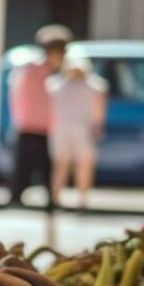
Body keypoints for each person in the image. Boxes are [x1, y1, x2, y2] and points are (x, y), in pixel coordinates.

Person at [7, 24, 73, 207]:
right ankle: (16, 195)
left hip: (45, 127)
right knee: (24, 165)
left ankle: (50, 198)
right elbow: (19, 97)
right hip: (29, 124)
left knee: (45, 166)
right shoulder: (32, 69)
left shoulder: (56, 73)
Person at [47, 55, 108, 211]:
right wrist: (97, 128)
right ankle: (81, 198)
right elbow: (98, 112)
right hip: (82, 129)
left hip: (62, 129)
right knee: (83, 164)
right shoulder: (95, 86)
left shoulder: (56, 86)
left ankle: (56, 197)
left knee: (61, 165)